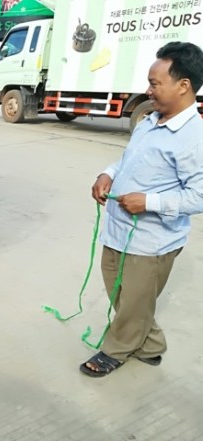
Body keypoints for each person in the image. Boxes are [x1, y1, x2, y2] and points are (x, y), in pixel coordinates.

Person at [81, 41, 203, 377]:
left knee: (134, 300)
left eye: (154, 83)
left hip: (151, 242)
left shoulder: (194, 138)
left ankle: (116, 350)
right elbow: (128, 160)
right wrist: (107, 173)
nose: (148, 90)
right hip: (118, 230)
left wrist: (148, 202)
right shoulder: (150, 120)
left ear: (183, 85)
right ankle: (150, 345)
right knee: (122, 294)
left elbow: (199, 195)